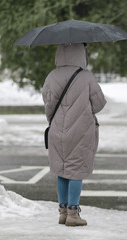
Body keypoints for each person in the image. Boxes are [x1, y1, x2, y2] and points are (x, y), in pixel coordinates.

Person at [41, 43, 106, 227]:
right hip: (80, 130)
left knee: (61, 170)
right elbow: (99, 103)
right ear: (81, 54)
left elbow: (47, 100)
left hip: (56, 130)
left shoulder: (51, 76)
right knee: (76, 171)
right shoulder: (86, 76)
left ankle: (62, 213)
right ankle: (73, 214)